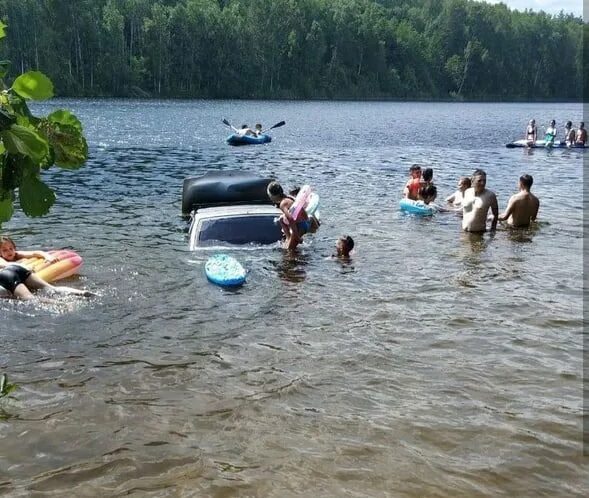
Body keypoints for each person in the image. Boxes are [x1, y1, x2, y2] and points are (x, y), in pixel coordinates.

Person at [0, 236, 95, 300]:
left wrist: (47, 256)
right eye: (4, 250)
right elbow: (5, 264)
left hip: (17, 274)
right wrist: (24, 266)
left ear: (14, 248)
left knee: (32, 298)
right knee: (52, 289)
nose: (9, 252)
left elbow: (35, 253)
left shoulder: (17, 254)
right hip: (21, 272)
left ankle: (75, 297)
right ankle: (81, 293)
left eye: (11, 248)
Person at [267, 181, 310, 250]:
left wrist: (296, 236)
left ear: (273, 196)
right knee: (281, 218)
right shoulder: (289, 198)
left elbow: (291, 219)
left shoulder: (283, 204)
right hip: (303, 223)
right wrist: (307, 220)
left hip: (300, 226)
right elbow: (301, 209)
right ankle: (288, 238)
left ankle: (292, 242)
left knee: (289, 251)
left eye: (270, 196)